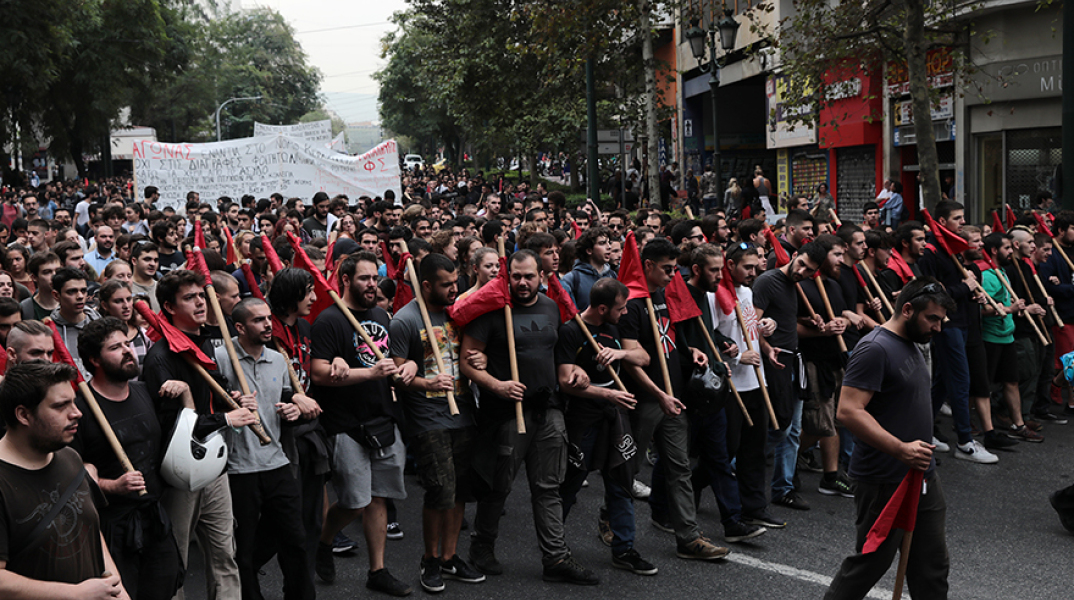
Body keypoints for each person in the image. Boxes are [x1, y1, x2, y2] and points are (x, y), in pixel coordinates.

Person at [461, 250, 599, 584]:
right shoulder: (492, 310)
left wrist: (575, 372)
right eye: (517, 276)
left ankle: (555, 558)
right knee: (499, 486)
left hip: (548, 409)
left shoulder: (552, 307)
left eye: (529, 276)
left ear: (542, 276)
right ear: (507, 277)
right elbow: (467, 360)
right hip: (507, 414)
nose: (523, 283)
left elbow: (558, 356)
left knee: (549, 487)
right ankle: (482, 547)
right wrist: (498, 385)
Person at [823, 277, 954, 600]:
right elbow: (849, 412)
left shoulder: (913, 342)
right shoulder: (875, 348)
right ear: (907, 309)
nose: (937, 328)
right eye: (932, 318)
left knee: (932, 567)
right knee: (870, 562)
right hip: (884, 477)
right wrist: (901, 449)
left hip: (922, 474)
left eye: (941, 320)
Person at [618, 238, 728, 560]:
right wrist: (658, 394)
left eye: (674, 268)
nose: (671, 275)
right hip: (645, 401)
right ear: (647, 266)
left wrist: (689, 352)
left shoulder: (664, 297)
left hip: (673, 398)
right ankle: (609, 518)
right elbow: (631, 361)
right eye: (666, 269)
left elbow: (668, 342)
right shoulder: (631, 305)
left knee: (680, 469)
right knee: (628, 468)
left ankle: (689, 538)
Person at [310, 252, 411, 597]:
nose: (373, 284)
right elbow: (319, 374)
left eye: (375, 278)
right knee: (354, 502)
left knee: (378, 499)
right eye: (365, 278)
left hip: (382, 418)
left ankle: (377, 570)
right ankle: (324, 541)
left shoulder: (382, 315)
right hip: (345, 424)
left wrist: (407, 367)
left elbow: (395, 360)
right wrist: (369, 373)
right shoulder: (329, 321)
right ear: (347, 279)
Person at [142, 269, 248, 600]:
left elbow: (212, 396)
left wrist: (234, 399)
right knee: (176, 561)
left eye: (201, 295)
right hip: (181, 471)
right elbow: (172, 427)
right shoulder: (162, 357)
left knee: (224, 554)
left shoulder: (204, 343)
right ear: (169, 307)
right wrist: (226, 418)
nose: (201, 302)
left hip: (214, 466)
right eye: (190, 298)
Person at [389, 254, 485, 593]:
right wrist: (425, 383)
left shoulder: (456, 313)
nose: (453, 289)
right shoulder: (404, 320)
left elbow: (473, 352)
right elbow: (398, 377)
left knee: (459, 489)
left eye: (455, 282)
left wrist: (481, 359)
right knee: (439, 490)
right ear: (426, 285)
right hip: (427, 418)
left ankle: (449, 556)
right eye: (446, 284)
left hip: (463, 412)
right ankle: (429, 559)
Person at [72, 317, 183, 600]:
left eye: (127, 343)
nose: (127, 350)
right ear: (94, 360)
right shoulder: (79, 410)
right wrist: (112, 486)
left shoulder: (144, 392)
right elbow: (72, 476)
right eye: (115, 347)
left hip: (154, 519)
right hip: (112, 529)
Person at [0, 362, 131, 599]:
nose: (76, 412)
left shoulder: (70, 457)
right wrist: (74, 594)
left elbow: (90, 528)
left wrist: (117, 590)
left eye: (73, 401)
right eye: (61, 406)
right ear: (23, 415)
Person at [214, 298, 315, 600]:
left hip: (276, 462)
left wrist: (292, 411)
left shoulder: (278, 359)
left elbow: (283, 401)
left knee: (295, 540)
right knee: (243, 549)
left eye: (268, 318)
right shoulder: (220, 358)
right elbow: (209, 410)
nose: (268, 325)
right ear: (240, 327)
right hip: (237, 467)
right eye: (258, 320)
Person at [557, 278, 657, 573]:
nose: (625, 313)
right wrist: (607, 393)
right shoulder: (571, 331)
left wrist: (620, 353)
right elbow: (565, 383)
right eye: (620, 308)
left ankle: (624, 549)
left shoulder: (616, 327)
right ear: (603, 308)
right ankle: (554, 548)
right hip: (584, 416)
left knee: (621, 481)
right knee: (571, 482)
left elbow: (644, 357)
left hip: (616, 417)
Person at [753, 241, 827, 512]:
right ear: (794, 256)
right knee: (780, 426)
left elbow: (785, 319)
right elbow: (753, 326)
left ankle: (783, 488)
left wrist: (810, 321)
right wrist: (768, 348)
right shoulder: (767, 282)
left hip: (794, 360)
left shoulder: (797, 286)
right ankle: (738, 464)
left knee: (794, 430)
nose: (803, 272)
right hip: (775, 362)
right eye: (802, 264)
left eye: (810, 271)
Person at [49, 267, 99, 379]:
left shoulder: (99, 325)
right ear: (56, 295)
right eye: (72, 291)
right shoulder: (49, 331)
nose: (80, 296)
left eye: (83, 290)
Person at [561, 226, 616, 311]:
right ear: (589, 250)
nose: (609, 247)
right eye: (602, 243)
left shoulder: (612, 275)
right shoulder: (572, 279)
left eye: (609, 242)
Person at [20, 251, 59, 320]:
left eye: (58, 271)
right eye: (47, 272)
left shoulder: (70, 303)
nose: (54, 276)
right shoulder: (25, 308)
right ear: (34, 277)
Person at [130, 242, 160, 311]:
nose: (153, 264)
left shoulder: (162, 289)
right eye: (147, 259)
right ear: (134, 261)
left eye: (156, 260)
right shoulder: (125, 288)